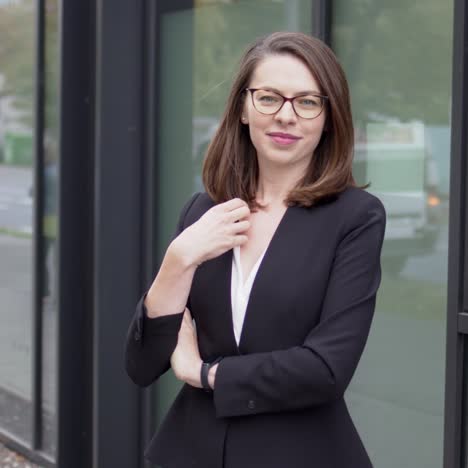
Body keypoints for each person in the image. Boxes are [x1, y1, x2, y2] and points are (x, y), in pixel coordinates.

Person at [125, 31, 386, 468]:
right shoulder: (205, 211)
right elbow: (142, 365)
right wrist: (177, 260)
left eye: (307, 102)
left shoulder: (355, 217)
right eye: (268, 98)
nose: (287, 116)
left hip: (300, 454)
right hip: (192, 452)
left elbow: (326, 369)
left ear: (328, 118)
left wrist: (205, 373)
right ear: (244, 110)